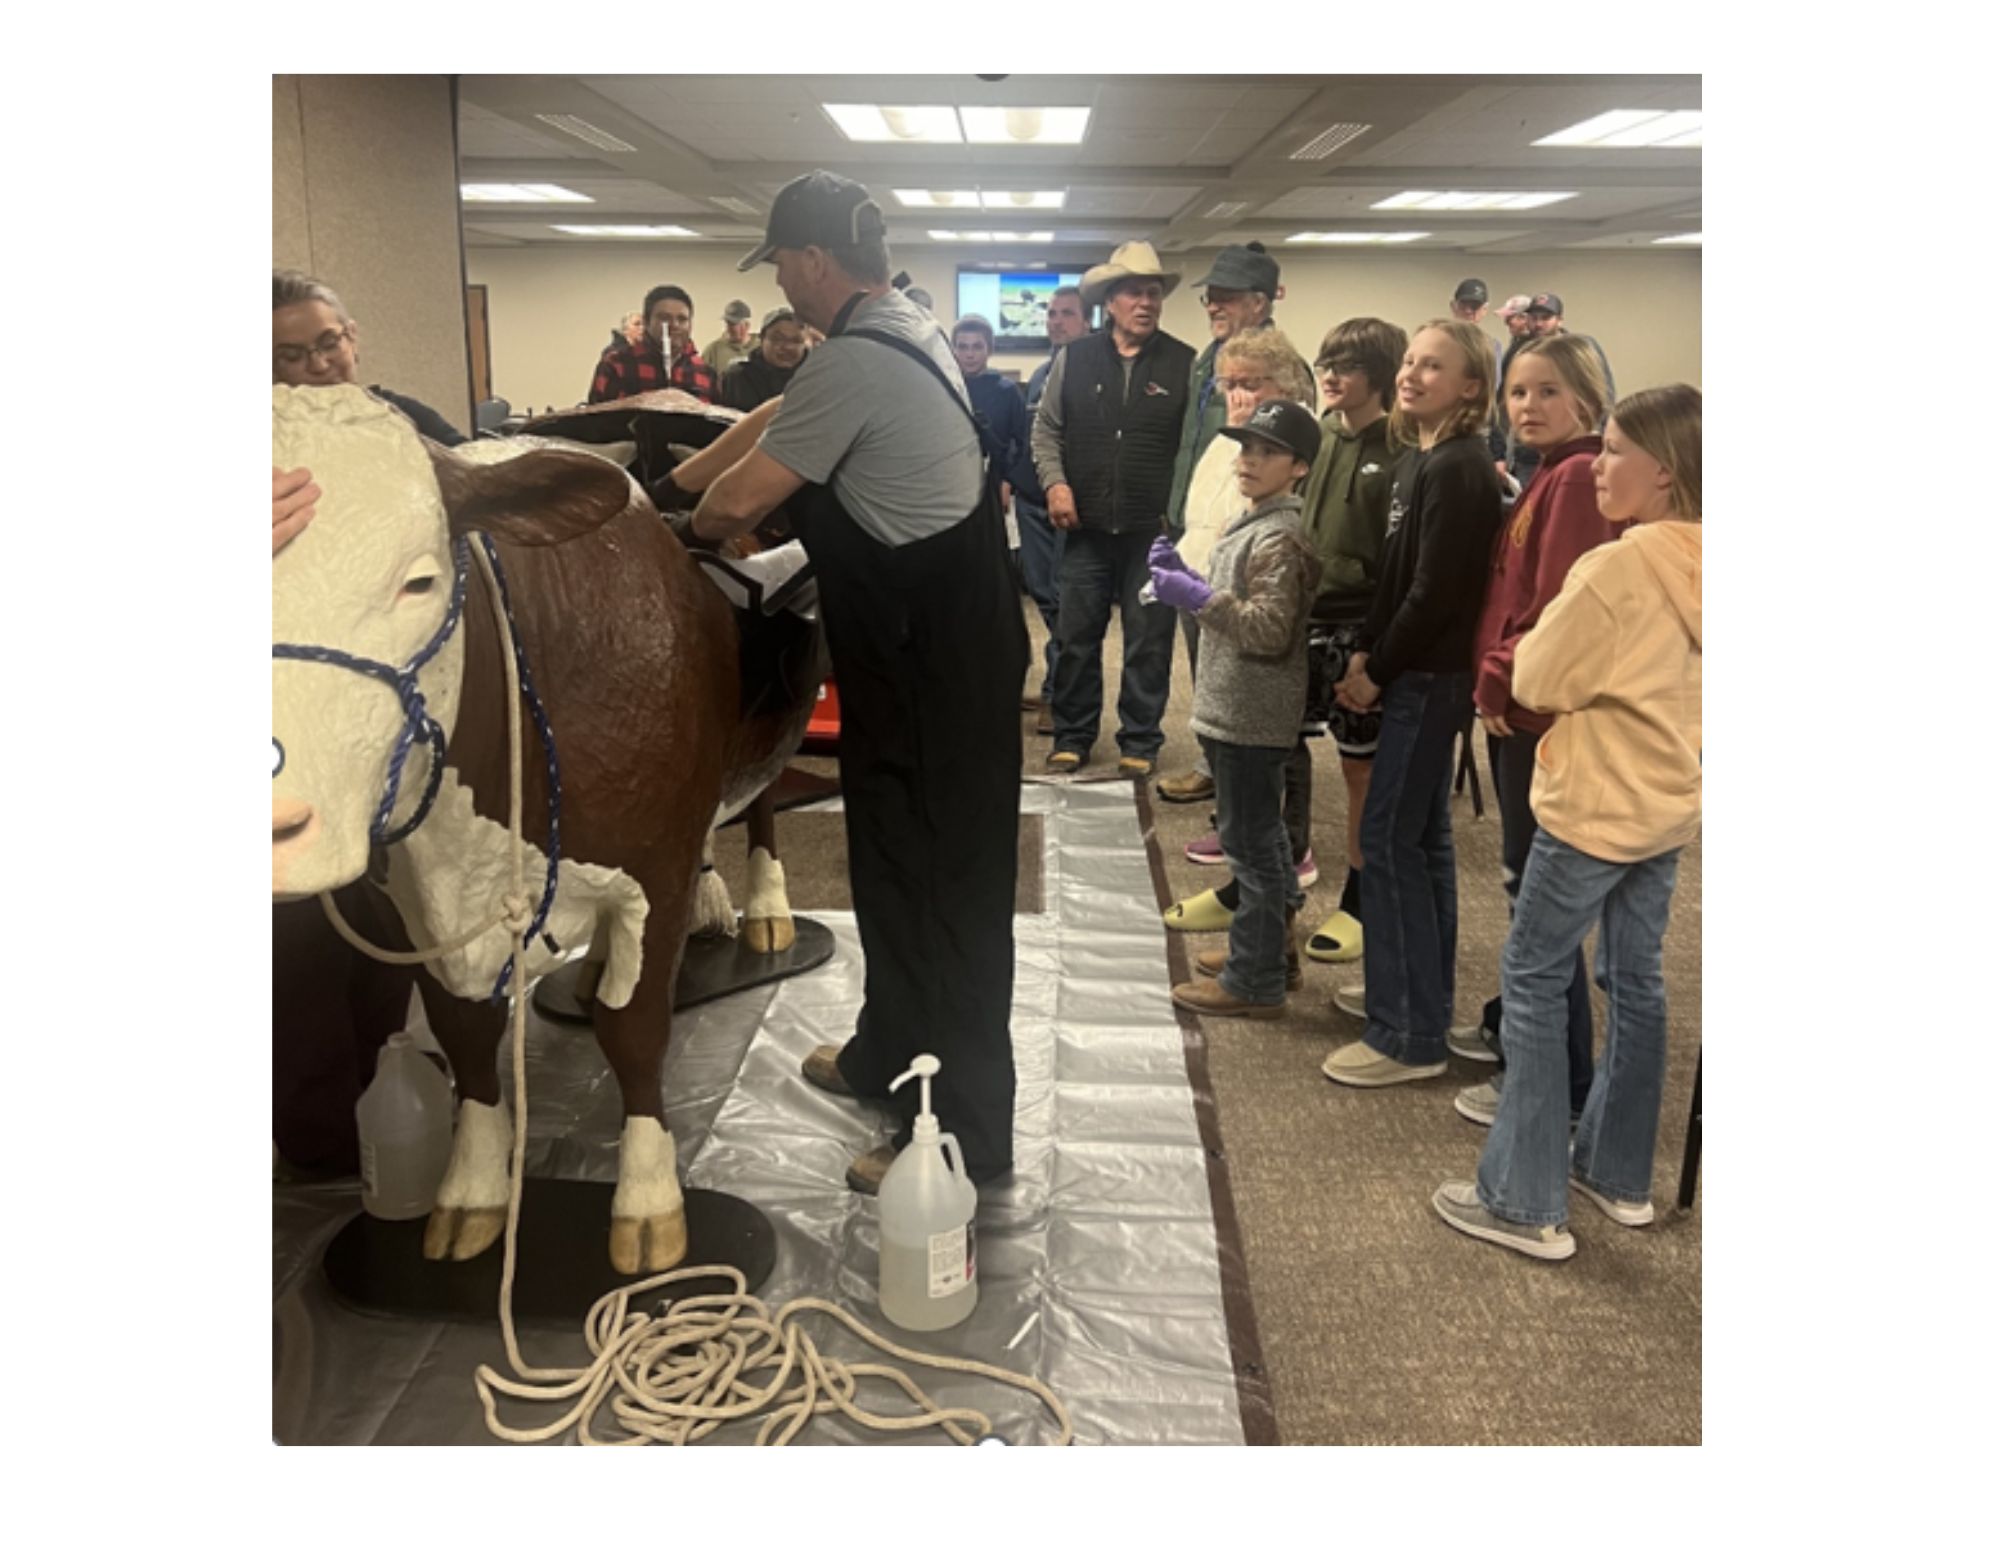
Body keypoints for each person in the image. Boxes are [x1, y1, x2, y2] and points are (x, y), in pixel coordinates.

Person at [672, 170, 1027, 1195]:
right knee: (886, 870)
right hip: (921, 655)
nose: (779, 280)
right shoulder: (900, 324)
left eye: (780, 261)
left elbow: (728, 505)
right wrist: (680, 470)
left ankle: (961, 1135)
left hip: (932, 670)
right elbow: (775, 419)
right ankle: (887, 1050)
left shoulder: (855, 363)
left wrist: (682, 509)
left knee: (945, 893)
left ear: (815, 261)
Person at [1433, 385, 1701, 1261]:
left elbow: (1540, 676)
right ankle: (1617, 1173)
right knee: (1637, 980)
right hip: (1668, 803)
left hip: (1594, 804)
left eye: (1617, 450)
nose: (1597, 469)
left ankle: (1523, 1198)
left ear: (1664, 472)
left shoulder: (1618, 568)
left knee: (1537, 978)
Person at [1321, 319, 1502, 1089]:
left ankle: (1407, 1030)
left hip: (1428, 678)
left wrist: (1378, 668)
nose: (1413, 375)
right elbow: (1398, 574)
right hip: (1404, 669)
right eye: (1412, 363)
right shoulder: (1417, 459)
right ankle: (1415, 996)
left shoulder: (1460, 468)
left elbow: (1434, 594)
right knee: (1420, 842)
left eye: (1436, 367)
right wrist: (1364, 644)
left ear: (1470, 387)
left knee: (1394, 842)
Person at [1455, 335, 1620, 1128]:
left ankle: (1554, 1083)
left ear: (1587, 397)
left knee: (1536, 901)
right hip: (1517, 703)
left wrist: (1496, 677)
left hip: (1532, 710)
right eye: (1517, 392)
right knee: (1526, 890)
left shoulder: (1580, 477)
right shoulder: (1549, 474)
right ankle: (1532, 1054)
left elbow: (1557, 609)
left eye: (1547, 391)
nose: (1527, 406)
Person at [1151, 400, 1323, 1019]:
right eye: (1245, 450)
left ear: (1299, 467)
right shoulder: (1252, 522)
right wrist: (1188, 577)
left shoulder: (1281, 535)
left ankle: (1255, 980)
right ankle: (1269, 952)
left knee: (1251, 848)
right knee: (1262, 844)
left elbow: (1270, 630)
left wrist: (1199, 597)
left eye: (1267, 452)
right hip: (1233, 707)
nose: (1248, 461)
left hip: (1254, 714)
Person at [1030, 240, 1196, 777]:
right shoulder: (1074, 359)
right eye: (1134, 293)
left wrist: (1180, 511)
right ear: (1109, 301)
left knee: (1150, 641)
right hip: (1085, 530)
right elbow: (1047, 430)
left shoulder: (1183, 362)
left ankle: (1140, 740)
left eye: (1153, 293)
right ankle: (1074, 734)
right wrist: (1056, 484)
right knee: (1076, 637)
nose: (1145, 302)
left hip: (1155, 533)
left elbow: (1193, 446)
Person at [1158, 241, 1305, 803]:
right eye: (1210, 298)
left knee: (1243, 671)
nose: (1213, 306)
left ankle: (1238, 783)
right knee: (1208, 664)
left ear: (1260, 301)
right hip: (1199, 536)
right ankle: (1215, 762)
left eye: (1225, 298)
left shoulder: (1281, 372)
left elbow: (1280, 471)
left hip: (1243, 549)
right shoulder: (1210, 360)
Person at [1289, 317, 1409, 967]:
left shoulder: (1400, 448)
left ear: (1381, 376)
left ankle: (1359, 897)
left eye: (1349, 365)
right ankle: (1275, 885)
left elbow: (1396, 560)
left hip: (1357, 622)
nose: (1332, 375)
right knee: (1277, 752)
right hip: (1302, 615)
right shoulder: (1324, 434)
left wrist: (1373, 647)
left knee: (1359, 767)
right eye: (1326, 361)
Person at [1012, 285, 1091, 736]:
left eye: (1067, 314)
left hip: (1070, 505)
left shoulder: (1092, 371)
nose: (1056, 321)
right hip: (1031, 503)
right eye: (1052, 313)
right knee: (1044, 597)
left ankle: (1060, 693)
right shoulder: (1041, 373)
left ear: (1085, 321)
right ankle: (1056, 683)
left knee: (1067, 601)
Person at [272, 269, 468, 446]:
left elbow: (476, 468)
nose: (320, 365)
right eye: (292, 356)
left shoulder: (403, 414)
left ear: (351, 337)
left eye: (330, 343)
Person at [1508, 294, 1615, 488]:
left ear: (1559, 319)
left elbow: (1605, 397)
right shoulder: (1518, 350)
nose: (1539, 324)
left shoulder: (1580, 350)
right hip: (1529, 455)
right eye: (1534, 318)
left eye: (1548, 392)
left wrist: (1607, 443)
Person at [589, 283, 718, 404]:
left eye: (682, 319)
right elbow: (593, 420)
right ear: (647, 322)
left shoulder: (705, 372)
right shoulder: (616, 364)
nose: (674, 325)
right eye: (664, 318)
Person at [950, 314, 1029, 511]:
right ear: (953, 350)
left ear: (989, 350)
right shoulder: (947, 390)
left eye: (977, 347)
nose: (969, 354)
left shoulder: (1007, 391)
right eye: (962, 347)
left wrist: (1009, 481)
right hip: (953, 483)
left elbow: (1022, 440)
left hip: (996, 482)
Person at [717, 307, 809, 411]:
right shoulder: (738, 377)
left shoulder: (815, 378)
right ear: (761, 339)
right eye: (778, 339)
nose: (787, 347)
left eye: (796, 340)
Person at [704, 299, 758, 377]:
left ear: (746, 325)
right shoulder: (714, 350)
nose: (729, 328)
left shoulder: (761, 347)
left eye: (733, 324)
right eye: (727, 323)